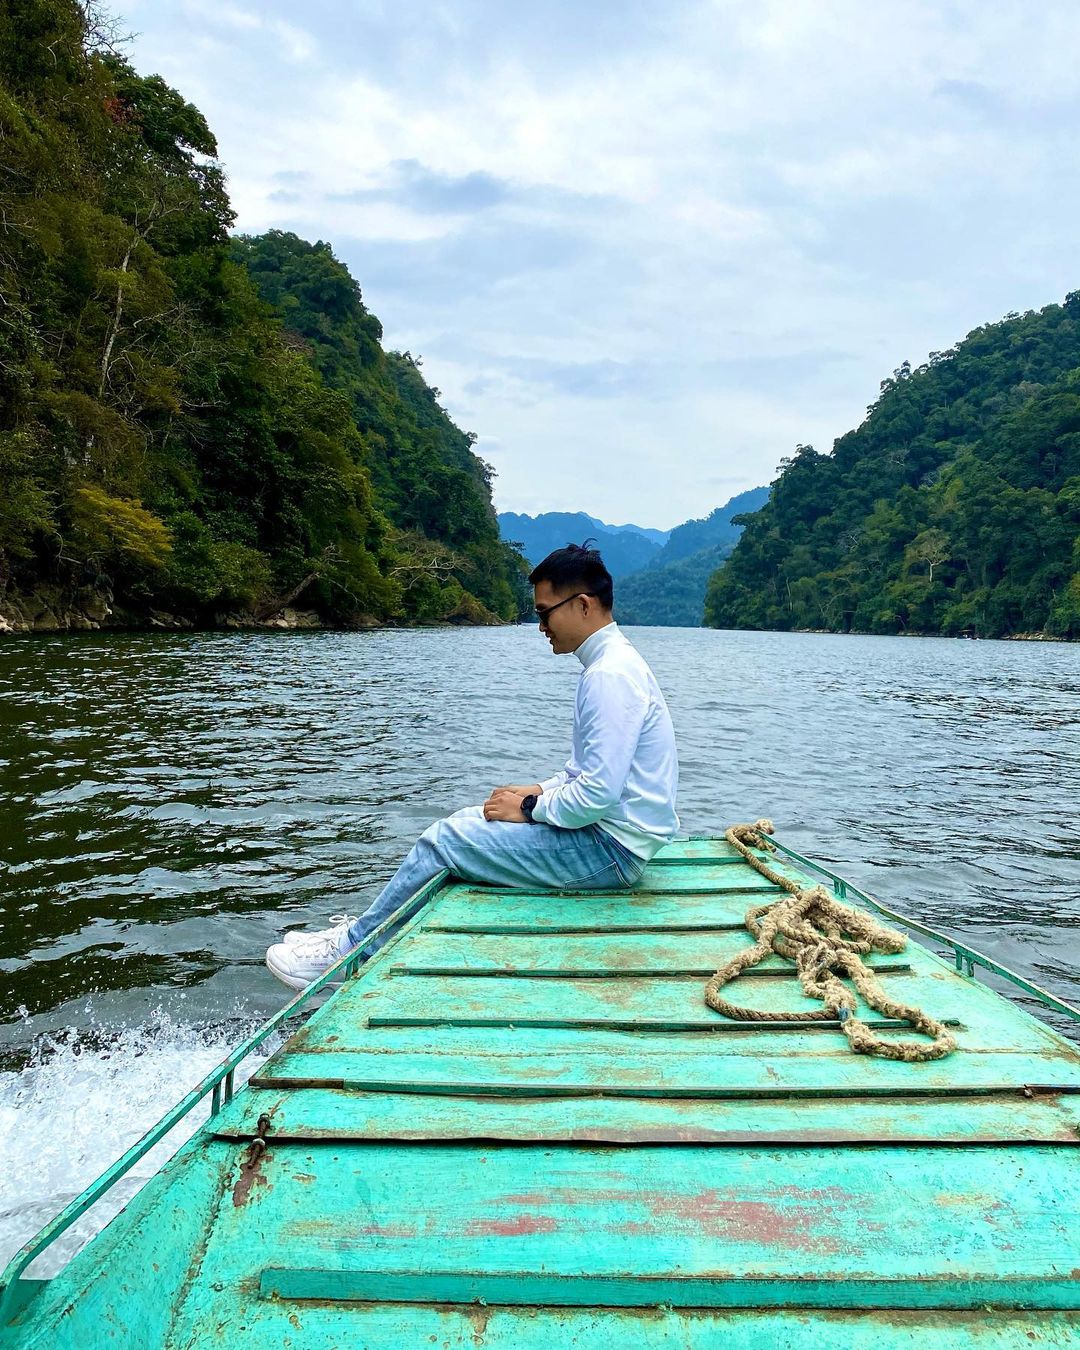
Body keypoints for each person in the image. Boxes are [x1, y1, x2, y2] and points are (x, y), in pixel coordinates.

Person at [265, 542, 680, 990]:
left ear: (582, 605)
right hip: (617, 840)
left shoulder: (608, 677)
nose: (540, 626)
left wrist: (528, 807)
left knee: (444, 840)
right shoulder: (613, 664)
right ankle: (362, 932)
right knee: (469, 819)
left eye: (545, 613)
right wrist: (538, 789)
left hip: (610, 852)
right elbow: (585, 775)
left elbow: (596, 795)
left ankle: (349, 951)